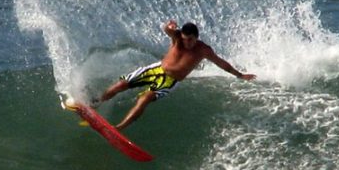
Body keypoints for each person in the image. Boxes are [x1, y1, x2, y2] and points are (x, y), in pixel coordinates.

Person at [97, 20, 256, 130]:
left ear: (196, 37)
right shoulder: (177, 38)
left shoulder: (203, 50)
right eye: (185, 39)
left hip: (170, 81)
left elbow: (222, 63)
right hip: (157, 69)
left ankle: (119, 128)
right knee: (121, 85)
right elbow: (167, 30)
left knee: (144, 98)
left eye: (191, 40)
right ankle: (95, 103)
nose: (187, 43)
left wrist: (240, 75)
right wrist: (169, 26)